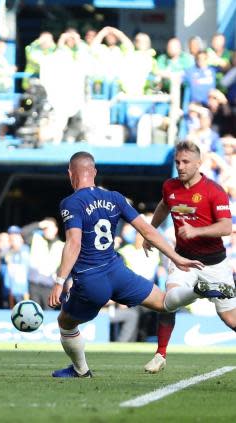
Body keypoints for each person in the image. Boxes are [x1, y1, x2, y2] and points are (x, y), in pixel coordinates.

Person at [48, 151, 204, 378]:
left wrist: (59, 281)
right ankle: (196, 291)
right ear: (94, 172)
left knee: (66, 322)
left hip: (92, 280)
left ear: (70, 174)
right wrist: (176, 256)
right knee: (164, 303)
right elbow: (148, 230)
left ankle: (81, 371)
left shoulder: (71, 203)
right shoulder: (115, 198)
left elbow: (74, 243)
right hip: (117, 272)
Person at [143, 141, 236, 373]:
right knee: (167, 302)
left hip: (214, 264)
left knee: (230, 319)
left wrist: (196, 231)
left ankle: (203, 288)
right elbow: (165, 206)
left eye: (185, 162)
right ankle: (160, 355)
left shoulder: (214, 190)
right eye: (177, 162)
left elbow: (226, 227)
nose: (180, 167)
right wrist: (150, 232)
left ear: (198, 163)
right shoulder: (170, 186)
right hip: (183, 260)